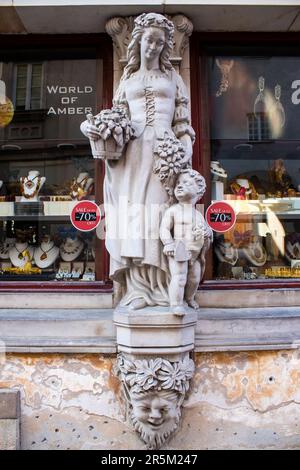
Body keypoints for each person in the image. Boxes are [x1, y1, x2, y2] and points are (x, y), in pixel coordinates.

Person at [81, 13, 195, 309]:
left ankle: (162, 290)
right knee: (133, 220)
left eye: (160, 41)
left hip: (164, 154)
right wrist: (91, 127)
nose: (154, 46)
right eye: (149, 39)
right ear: (138, 42)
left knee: (158, 218)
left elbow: (183, 123)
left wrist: (186, 149)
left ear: (166, 46)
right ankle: (137, 291)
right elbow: (114, 119)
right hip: (130, 155)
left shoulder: (174, 79)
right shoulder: (128, 80)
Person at [160, 169, 212, 315]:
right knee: (179, 278)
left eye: (186, 183)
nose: (180, 186)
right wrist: (168, 243)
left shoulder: (198, 214)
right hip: (179, 249)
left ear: (199, 190)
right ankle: (176, 304)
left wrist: (208, 233)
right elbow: (164, 228)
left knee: (195, 278)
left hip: (195, 251)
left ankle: (189, 298)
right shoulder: (174, 210)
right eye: (178, 183)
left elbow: (206, 231)